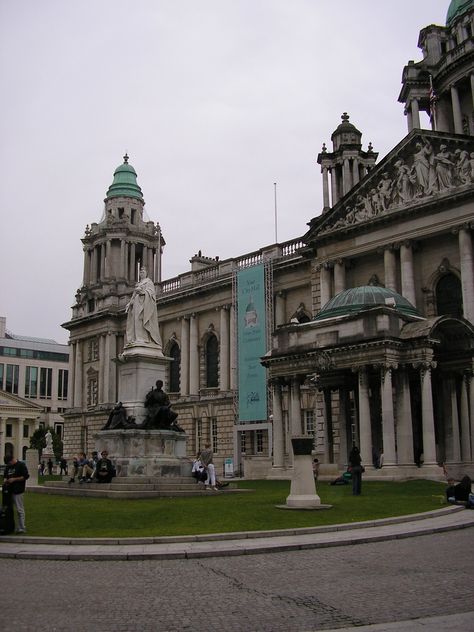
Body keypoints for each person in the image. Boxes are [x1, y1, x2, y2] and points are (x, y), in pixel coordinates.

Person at [125, 266, 161, 347]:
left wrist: (142, 292)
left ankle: (143, 338)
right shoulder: (138, 284)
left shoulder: (149, 282)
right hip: (136, 305)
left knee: (141, 320)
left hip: (144, 304)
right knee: (136, 321)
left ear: (146, 273)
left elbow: (151, 294)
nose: (141, 273)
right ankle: (137, 338)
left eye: (143, 272)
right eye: (140, 272)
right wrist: (129, 303)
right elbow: (133, 296)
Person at [3, 454, 29, 534]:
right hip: (9, 491)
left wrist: (14, 479)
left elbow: (25, 476)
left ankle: (22, 527)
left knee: (19, 509)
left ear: (12, 460)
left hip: (18, 491)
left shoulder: (21, 465)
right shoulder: (8, 467)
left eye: (9, 463)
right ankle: (10, 526)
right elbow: (5, 476)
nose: (9, 465)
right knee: (8, 510)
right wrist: (6, 481)